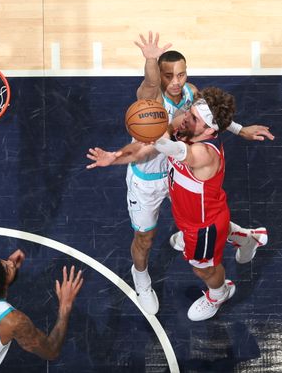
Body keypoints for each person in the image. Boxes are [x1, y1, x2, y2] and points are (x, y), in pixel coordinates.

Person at [111, 32, 272, 316]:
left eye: (181, 75)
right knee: (144, 239)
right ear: (160, 76)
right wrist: (150, 59)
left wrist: (239, 129)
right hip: (148, 180)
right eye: (169, 76)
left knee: (197, 218)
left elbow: (212, 115)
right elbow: (149, 85)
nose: (176, 82)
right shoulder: (151, 100)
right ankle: (141, 278)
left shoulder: (190, 93)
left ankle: (242, 242)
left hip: (178, 175)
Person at [89, 86, 241, 321]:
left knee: (202, 268)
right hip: (187, 212)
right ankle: (247, 237)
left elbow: (173, 149)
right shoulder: (188, 125)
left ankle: (219, 293)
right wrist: (115, 157)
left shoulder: (204, 154)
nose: (184, 118)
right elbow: (145, 149)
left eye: (193, 118)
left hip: (203, 226)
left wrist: (155, 135)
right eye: (189, 113)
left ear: (210, 129)